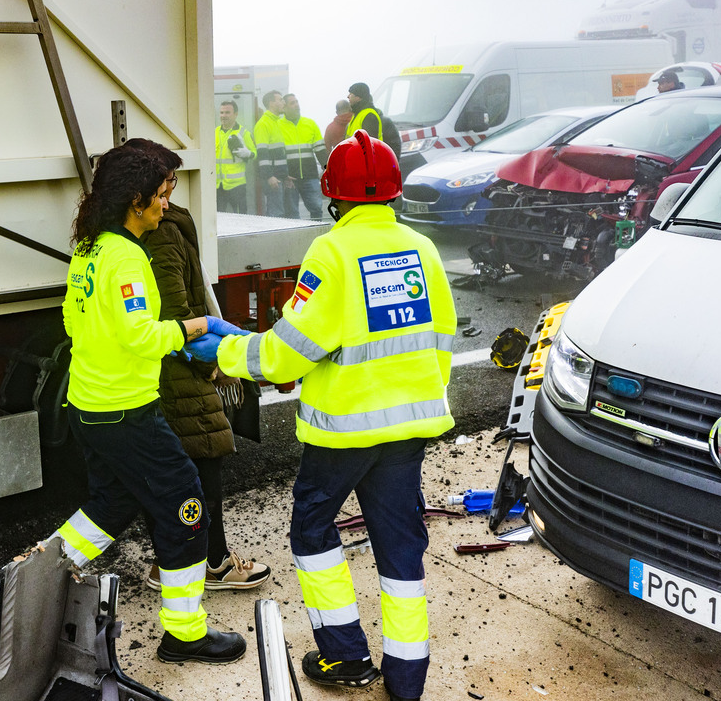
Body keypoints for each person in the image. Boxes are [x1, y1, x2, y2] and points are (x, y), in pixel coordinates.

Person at [214, 131, 457, 701]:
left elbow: (286, 352)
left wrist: (226, 352)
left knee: (312, 530)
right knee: (400, 547)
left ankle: (345, 657)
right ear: (393, 195)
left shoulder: (331, 252)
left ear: (333, 197)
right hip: (409, 429)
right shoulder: (423, 249)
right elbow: (441, 338)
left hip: (344, 431)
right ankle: (405, 680)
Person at [47, 143, 249, 665]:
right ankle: (186, 634)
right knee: (186, 511)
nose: (166, 205)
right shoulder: (128, 256)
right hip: (128, 411)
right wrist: (194, 327)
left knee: (110, 505)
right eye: (160, 196)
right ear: (135, 200)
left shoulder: (89, 250)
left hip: (89, 405)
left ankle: (37, 576)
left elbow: (73, 323)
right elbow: (140, 335)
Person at [124, 138, 272, 592]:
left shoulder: (143, 229)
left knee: (171, 469)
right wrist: (216, 358)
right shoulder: (162, 231)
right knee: (201, 459)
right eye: (164, 189)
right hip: (178, 365)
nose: (168, 200)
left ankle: (171, 560)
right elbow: (175, 313)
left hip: (160, 363)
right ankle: (212, 563)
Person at [280, 93, 330, 220]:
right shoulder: (278, 125)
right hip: (290, 178)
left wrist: (327, 168)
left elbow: (320, 150)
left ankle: (317, 235)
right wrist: (283, 175)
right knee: (291, 213)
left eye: (297, 102)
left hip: (310, 176)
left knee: (316, 209)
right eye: (292, 103)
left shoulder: (310, 124)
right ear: (284, 107)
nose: (296, 105)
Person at [254, 90, 290, 217]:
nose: (283, 102)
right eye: (280, 100)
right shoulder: (263, 124)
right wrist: (269, 176)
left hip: (278, 177)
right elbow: (262, 154)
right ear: (271, 103)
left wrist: (285, 175)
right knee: (276, 214)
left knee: (279, 212)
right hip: (272, 178)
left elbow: (278, 154)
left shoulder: (275, 122)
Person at [214, 100, 254, 213]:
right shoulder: (214, 132)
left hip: (237, 186)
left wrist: (249, 154)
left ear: (236, 114)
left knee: (241, 218)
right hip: (218, 186)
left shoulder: (243, 133)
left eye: (227, 112)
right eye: (221, 113)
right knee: (218, 219)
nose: (223, 116)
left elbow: (255, 153)